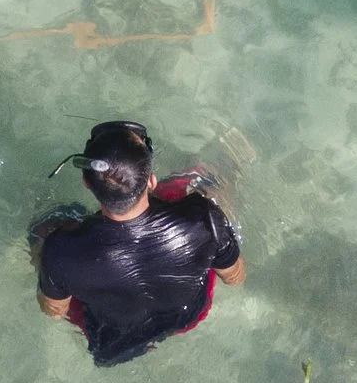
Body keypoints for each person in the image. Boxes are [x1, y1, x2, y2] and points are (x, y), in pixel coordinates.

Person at [31, 119, 245, 368]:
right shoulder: (203, 217)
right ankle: (236, 147)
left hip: (117, 338)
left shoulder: (61, 251)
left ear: (86, 183)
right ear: (151, 181)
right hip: (188, 316)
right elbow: (234, 278)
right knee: (201, 177)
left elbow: (54, 312)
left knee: (44, 226)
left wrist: (51, 262)